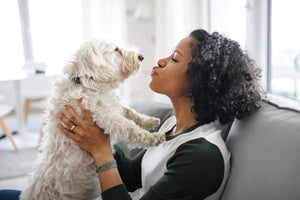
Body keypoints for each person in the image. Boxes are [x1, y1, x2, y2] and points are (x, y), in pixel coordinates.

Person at [0, 29, 262, 200]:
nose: (159, 61)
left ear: (200, 80)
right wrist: (91, 126)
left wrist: (101, 151)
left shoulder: (202, 157)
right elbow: (134, 175)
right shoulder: (172, 126)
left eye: (173, 58)